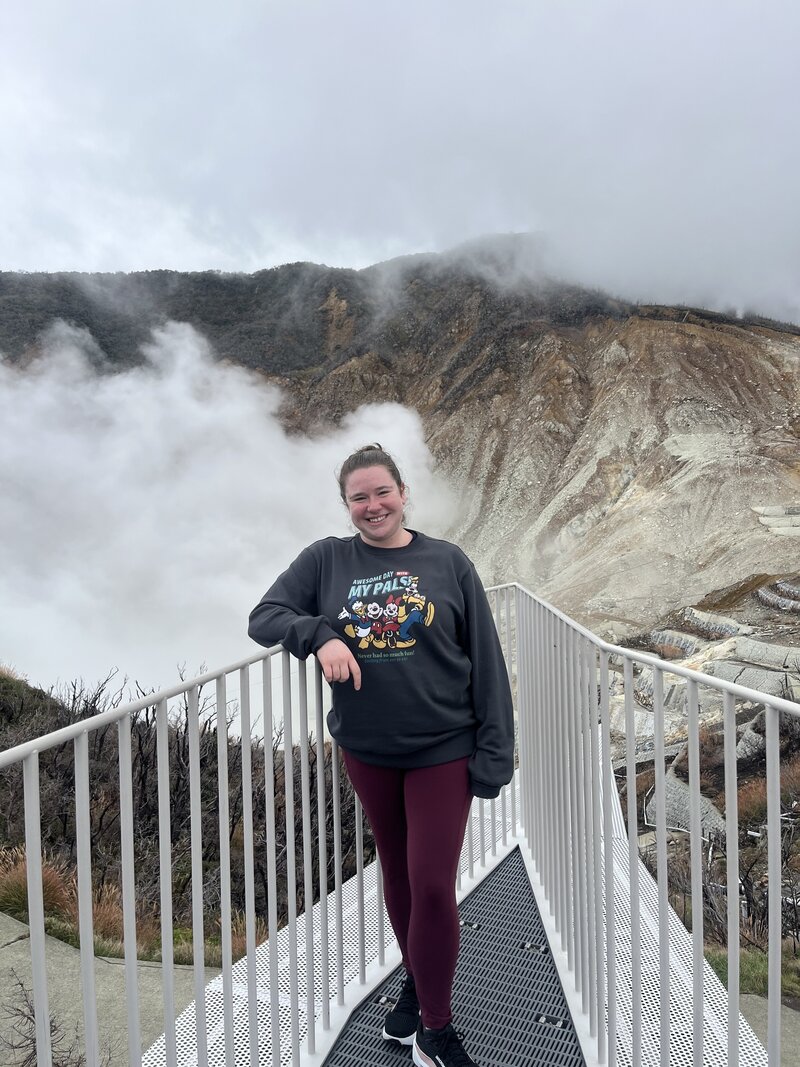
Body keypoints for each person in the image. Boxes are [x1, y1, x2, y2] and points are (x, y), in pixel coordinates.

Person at [248, 443, 514, 1067]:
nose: (373, 506)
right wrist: (319, 635)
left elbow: (486, 659)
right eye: (359, 497)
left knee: (432, 885)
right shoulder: (326, 559)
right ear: (346, 505)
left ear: (403, 493)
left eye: (382, 492)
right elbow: (264, 617)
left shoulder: (447, 561)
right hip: (368, 750)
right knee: (396, 872)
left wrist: (495, 750)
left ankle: (435, 1030)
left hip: (443, 747)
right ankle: (419, 984)